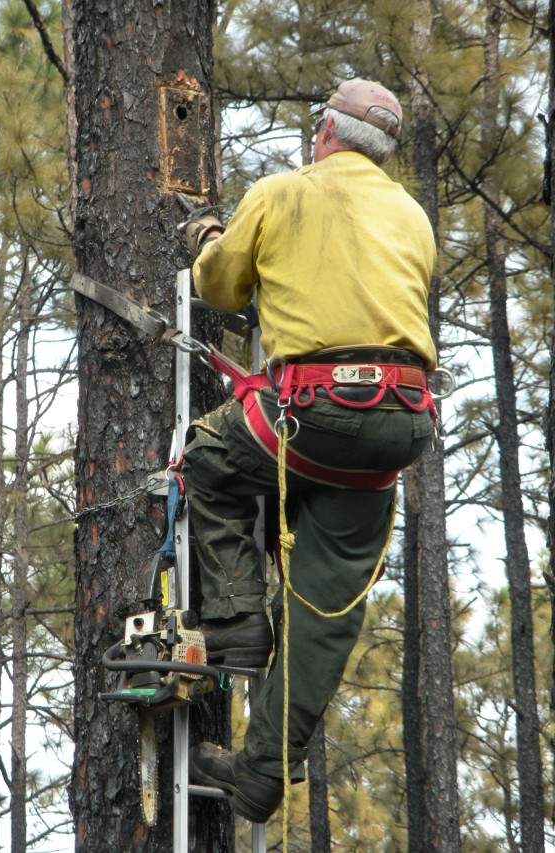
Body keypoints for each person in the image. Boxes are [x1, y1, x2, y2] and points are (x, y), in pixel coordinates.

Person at [181, 78, 438, 824]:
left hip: (308, 414)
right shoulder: (414, 217)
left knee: (209, 458)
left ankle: (235, 619)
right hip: (397, 423)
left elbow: (223, 287)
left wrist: (207, 239)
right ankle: (262, 773)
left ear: (324, 132)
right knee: (326, 610)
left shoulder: (282, 191)